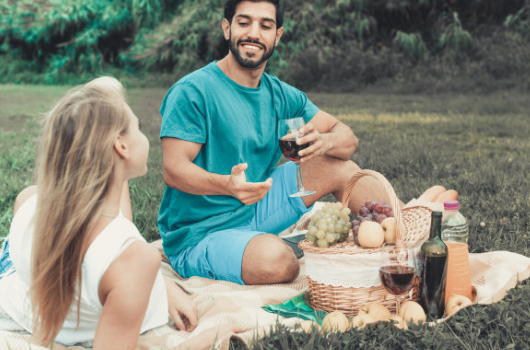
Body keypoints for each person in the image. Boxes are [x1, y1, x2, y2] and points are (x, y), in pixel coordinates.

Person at [157, 0, 391, 286]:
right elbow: (173, 169)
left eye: (265, 25)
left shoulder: (281, 94)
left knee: (341, 166)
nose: (254, 33)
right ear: (227, 28)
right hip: (200, 233)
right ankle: (255, 248)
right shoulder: (193, 91)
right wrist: (226, 186)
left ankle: (398, 231)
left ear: (277, 35)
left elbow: (346, 138)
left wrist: (325, 142)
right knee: (278, 262)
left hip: (255, 204)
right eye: (244, 23)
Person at [0, 77, 198, 349]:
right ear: (122, 145)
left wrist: (159, 282)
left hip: (21, 306)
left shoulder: (30, 204)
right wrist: (211, 335)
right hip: (94, 319)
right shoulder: (135, 260)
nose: (144, 134)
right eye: (138, 127)